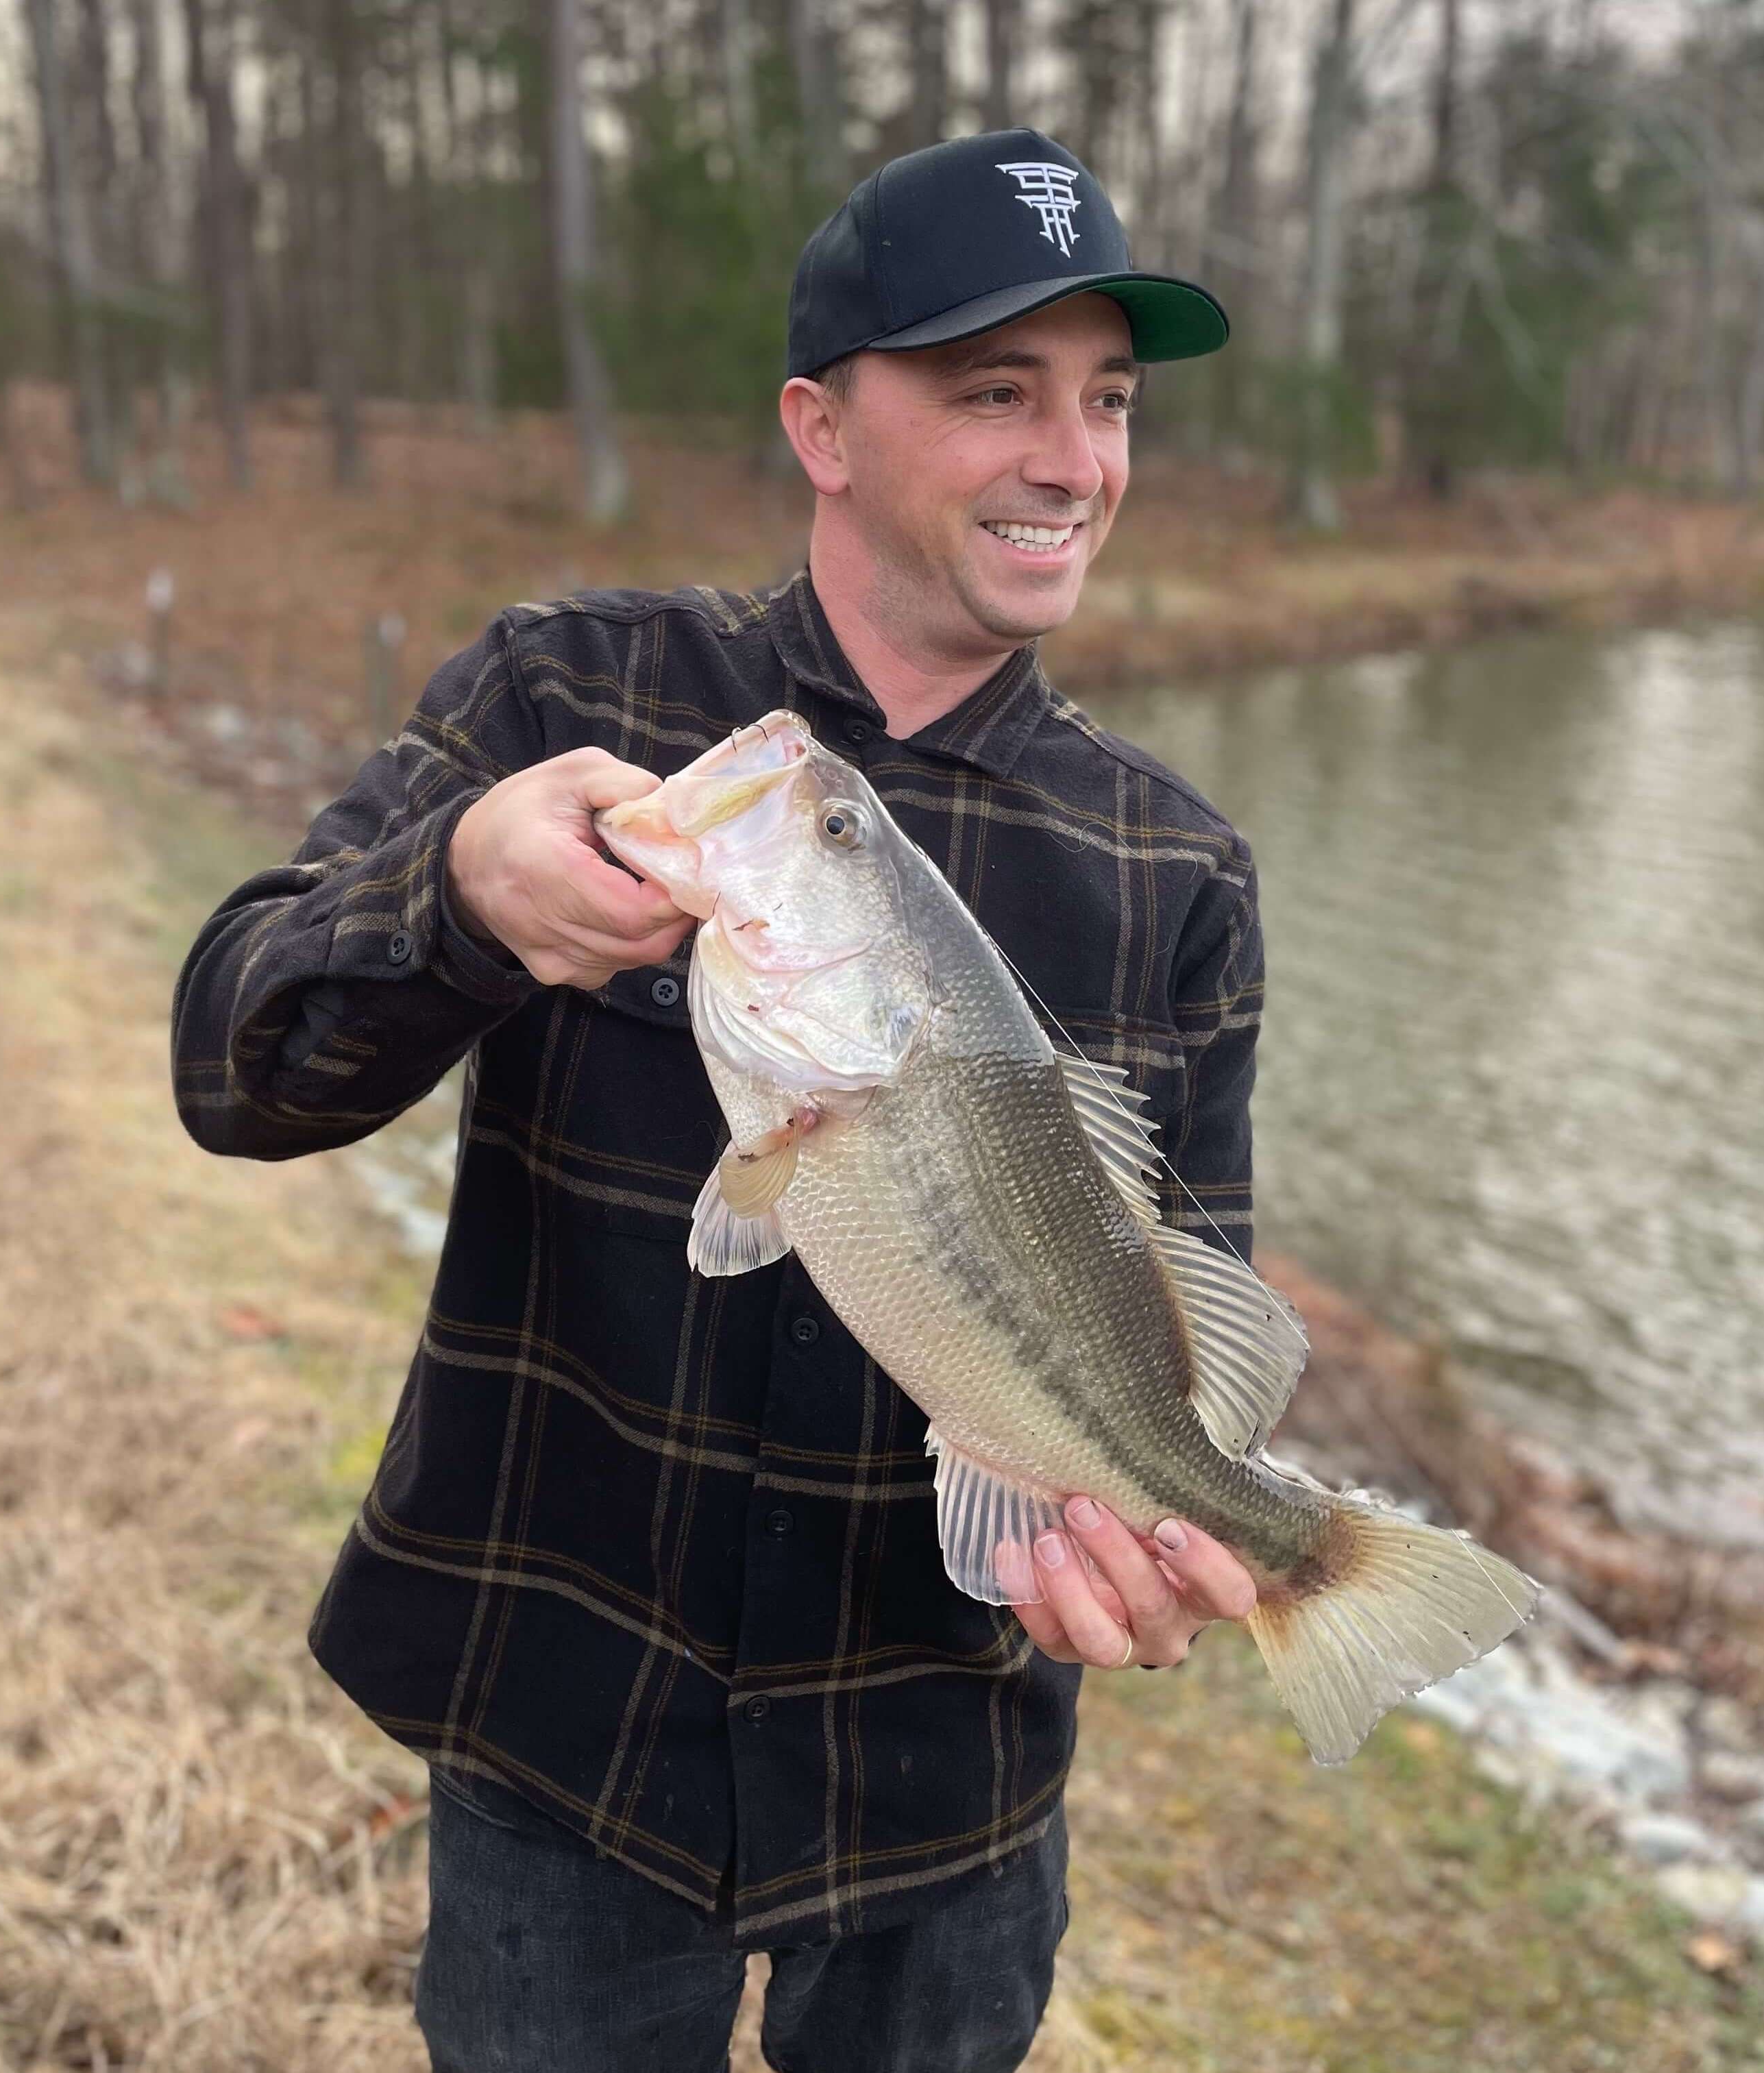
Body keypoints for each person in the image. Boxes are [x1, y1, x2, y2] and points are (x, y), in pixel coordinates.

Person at [171, 129, 1264, 2073]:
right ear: (823, 427)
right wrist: (462, 900)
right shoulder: (566, 695)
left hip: (948, 1796)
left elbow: (1187, 1297)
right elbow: (235, 1066)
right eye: (993, 390)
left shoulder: (1176, 864)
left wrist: (1158, 1544)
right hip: (563, 1746)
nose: (1072, 459)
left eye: (1107, 402)